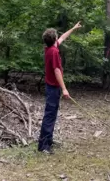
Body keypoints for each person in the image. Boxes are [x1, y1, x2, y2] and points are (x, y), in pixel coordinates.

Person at [38, 21, 82, 154]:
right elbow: (57, 70)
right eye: (57, 36)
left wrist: (73, 28)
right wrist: (64, 89)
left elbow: (63, 37)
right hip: (53, 88)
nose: (59, 38)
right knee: (50, 116)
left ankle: (47, 142)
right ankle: (44, 146)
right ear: (54, 39)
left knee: (51, 115)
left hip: (51, 88)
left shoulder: (50, 48)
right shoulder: (54, 52)